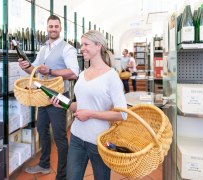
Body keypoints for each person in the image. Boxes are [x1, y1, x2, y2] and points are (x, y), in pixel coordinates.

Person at [51, 30, 127, 180]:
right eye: (81, 44)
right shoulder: (83, 73)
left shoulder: (111, 77)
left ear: (98, 46)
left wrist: (90, 114)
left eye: (86, 44)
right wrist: (63, 104)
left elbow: (122, 114)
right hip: (76, 137)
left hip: (99, 141)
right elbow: (81, 105)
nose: (82, 48)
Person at [18, 14, 79, 180]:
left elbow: (74, 73)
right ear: (47, 28)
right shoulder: (44, 49)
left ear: (60, 28)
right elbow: (35, 71)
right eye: (50, 26)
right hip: (42, 96)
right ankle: (44, 165)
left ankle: (63, 175)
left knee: (59, 136)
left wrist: (51, 71)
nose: (53, 29)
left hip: (60, 97)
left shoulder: (68, 49)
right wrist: (26, 67)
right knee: (41, 129)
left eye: (56, 26)